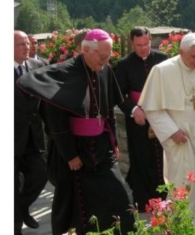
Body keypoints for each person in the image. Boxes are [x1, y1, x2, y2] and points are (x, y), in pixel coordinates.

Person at [17, 29, 135, 235]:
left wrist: (114, 142)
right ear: (86, 50)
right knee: (78, 200)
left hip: (101, 146)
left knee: (117, 192)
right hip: (75, 150)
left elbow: (108, 112)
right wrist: (70, 155)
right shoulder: (64, 74)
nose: (106, 61)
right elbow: (57, 121)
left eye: (109, 56)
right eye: (102, 56)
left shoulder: (105, 69)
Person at [138, 32, 195, 218]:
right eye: (194, 56)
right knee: (184, 181)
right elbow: (153, 109)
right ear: (181, 52)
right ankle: (182, 224)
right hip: (181, 135)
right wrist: (172, 132)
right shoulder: (162, 71)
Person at [116, 26, 168, 212]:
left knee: (162, 158)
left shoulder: (163, 60)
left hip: (161, 117)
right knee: (141, 159)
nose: (143, 48)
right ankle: (144, 201)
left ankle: (165, 199)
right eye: (139, 45)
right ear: (132, 43)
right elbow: (119, 95)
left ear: (150, 39)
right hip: (138, 120)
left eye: (146, 44)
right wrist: (134, 109)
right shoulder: (124, 64)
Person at [14, 30, 48, 235]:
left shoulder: (39, 67)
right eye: (21, 44)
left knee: (40, 175)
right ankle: (14, 227)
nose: (27, 47)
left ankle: (21, 208)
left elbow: (46, 101)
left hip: (34, 138)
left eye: (27, 43)